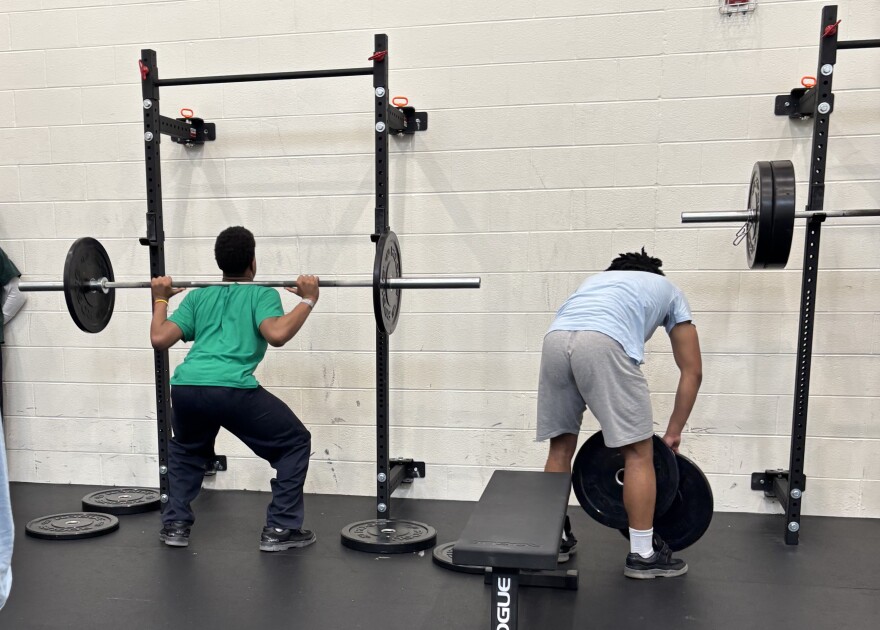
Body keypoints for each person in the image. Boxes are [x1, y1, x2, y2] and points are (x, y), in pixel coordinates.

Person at [150, 226, 318, 552]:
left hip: (187, 387)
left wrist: (161, 298)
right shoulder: (262, 294)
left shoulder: (200, 296)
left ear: (219, 263)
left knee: (186, 452)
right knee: (294, 443)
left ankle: (175, 525)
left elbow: (160, 339)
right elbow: (277, 334)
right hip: (231, 390)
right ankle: (281, 528)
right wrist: (309, 299)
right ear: (253, 262)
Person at [537, 249, 702, 579]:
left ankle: (549, 542)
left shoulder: (594, 282)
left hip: (554, 340)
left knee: (560, 449)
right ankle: (643, 554)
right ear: (654, 274)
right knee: (639, 452)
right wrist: (673, 432)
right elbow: (692, 371)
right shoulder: (667, 289)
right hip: (603, 341)